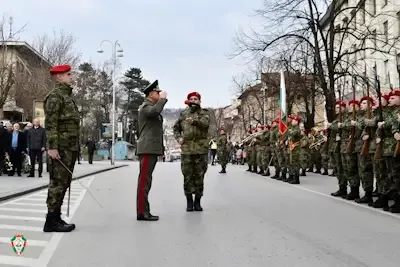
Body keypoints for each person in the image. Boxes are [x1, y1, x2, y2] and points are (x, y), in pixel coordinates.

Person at [43, 64, 80, 232]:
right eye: (68, 74)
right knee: (57, 183)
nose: (71, 77)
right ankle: (51, 220)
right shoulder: (55, 97)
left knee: (64, 183)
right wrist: (52, 147)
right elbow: (51, 124)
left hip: (70, 147)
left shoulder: (67, 97)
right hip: (60, 148)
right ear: (59, 77)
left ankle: (56, 217)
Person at [136, 80, 168, 221]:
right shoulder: (146, 106)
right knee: (144, 180)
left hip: (151, 148)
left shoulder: (150, 106)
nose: (159, 94)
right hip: (147, 148)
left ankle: (143, 210)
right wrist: (163, 100)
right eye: (157, 92)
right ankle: (142, 212)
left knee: (146, 180)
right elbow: (154, 111)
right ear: (151, 94)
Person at [173, 92, 210, 212]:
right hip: (187, 150)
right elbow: (176, 128)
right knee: (187, 176)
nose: (193, 100)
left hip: (201, 149)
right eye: (191, 99)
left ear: (199, 101)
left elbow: (205, 124)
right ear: (188, 101)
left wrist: (194, 121)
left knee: (200, 176)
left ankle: (197, 201)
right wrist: (179, 138)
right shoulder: (183, 114)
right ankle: (189, 201)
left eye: (196, 99)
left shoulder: (204, 113)